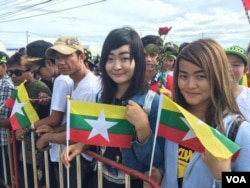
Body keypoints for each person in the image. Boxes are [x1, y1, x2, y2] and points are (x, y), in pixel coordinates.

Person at [60, 27, 164, 188]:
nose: (116, 66)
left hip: (135, 183)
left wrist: (143, 128)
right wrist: (80, 145)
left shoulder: (153, 103)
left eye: (124, 58)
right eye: (110, 58)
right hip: (103, 178)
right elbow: (102, 138)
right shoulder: (101, 97)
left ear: (137, 60)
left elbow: (155, 162)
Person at [144, 38, 250, 188]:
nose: (190, 85)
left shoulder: (239, 130)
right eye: (183, 76)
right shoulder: (174, 117)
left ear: (217, 76)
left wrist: (222, 177)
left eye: (201, 76)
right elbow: (173, 165)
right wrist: (160, 174)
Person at [35, 36, 101, 188]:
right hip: (75, 156)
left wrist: (48, 137)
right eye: (58, 58)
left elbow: (82, 133)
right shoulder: (74, 82)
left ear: (81, 57)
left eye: (67, 56)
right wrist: (56, 129)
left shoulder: (88, 88)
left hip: (82, 159)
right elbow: (76, 121)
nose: (61, 62)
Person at [18, 39, 73, 187]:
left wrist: (26, 128)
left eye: (37, 71)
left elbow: (55, 119)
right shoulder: (63, 79)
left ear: (48, 63)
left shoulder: (61, 80)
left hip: (64, 149)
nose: (39, 77)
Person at [5, 52, 52, 188]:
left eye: (18, 72)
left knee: (42, 177)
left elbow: (50, 115)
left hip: (40, 142)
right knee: (27, 175)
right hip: (26, 142)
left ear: (31, 72)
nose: (13, 76)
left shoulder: (40, 88)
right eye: (11, 73)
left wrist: (45, 102)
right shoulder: (20, 89)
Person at [0, 51, 15, 185]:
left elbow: (3, 110)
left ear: (4, 66)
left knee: (5, 177)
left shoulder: (6, 86)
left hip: (3, 138)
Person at [224, 45, 250, 121]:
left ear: (245, 70)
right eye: (224, 64)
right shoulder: (207, 95)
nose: (229, 69)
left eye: (236, 65)